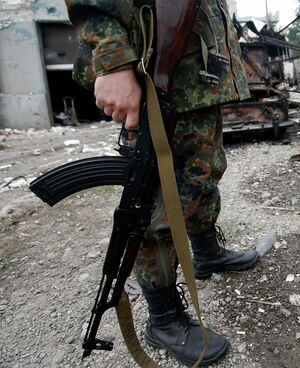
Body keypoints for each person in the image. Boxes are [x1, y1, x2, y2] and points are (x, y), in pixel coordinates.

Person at [66, 0, 259, 365]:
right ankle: (164, 319)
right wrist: (114, 59)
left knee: (203, 174)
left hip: (199, 77)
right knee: (154, 203)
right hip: (152, 72)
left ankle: (206, 254)